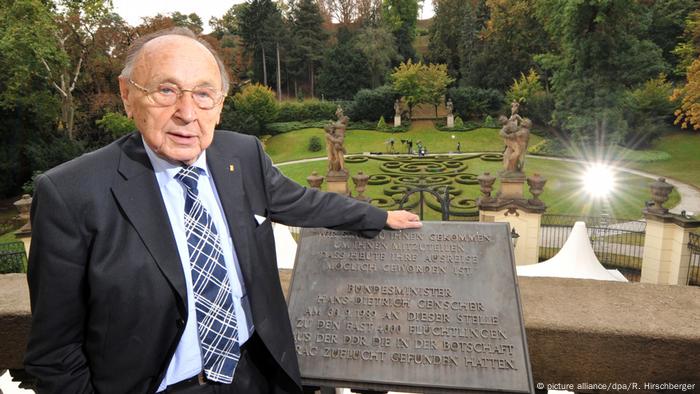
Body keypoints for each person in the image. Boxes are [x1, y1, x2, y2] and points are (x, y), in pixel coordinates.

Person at [24, 27, 421, 394]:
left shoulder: (242, 153)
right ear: (128, 95)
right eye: (166, 90)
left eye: (203, 93)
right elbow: (54, 354)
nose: (187, 112)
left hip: (256, 374)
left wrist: (378, 217)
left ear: (219, 104)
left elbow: (301, 201)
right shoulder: (70, 193)